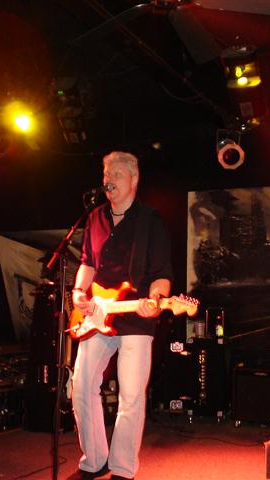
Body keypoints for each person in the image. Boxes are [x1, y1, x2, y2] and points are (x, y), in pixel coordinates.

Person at [68, 151, 173, 480]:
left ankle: (123, 468)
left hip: (135, 316)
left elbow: (162, 275)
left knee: (131, 395)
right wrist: (78, 293)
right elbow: (87, 262)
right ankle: (94, 459)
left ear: (134, 179)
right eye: (106, 174)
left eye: (116, 173)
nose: (108, 179)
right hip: (97, 313)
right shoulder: (95, 217)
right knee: (81, 386)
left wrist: (155, 300)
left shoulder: (150, 220)